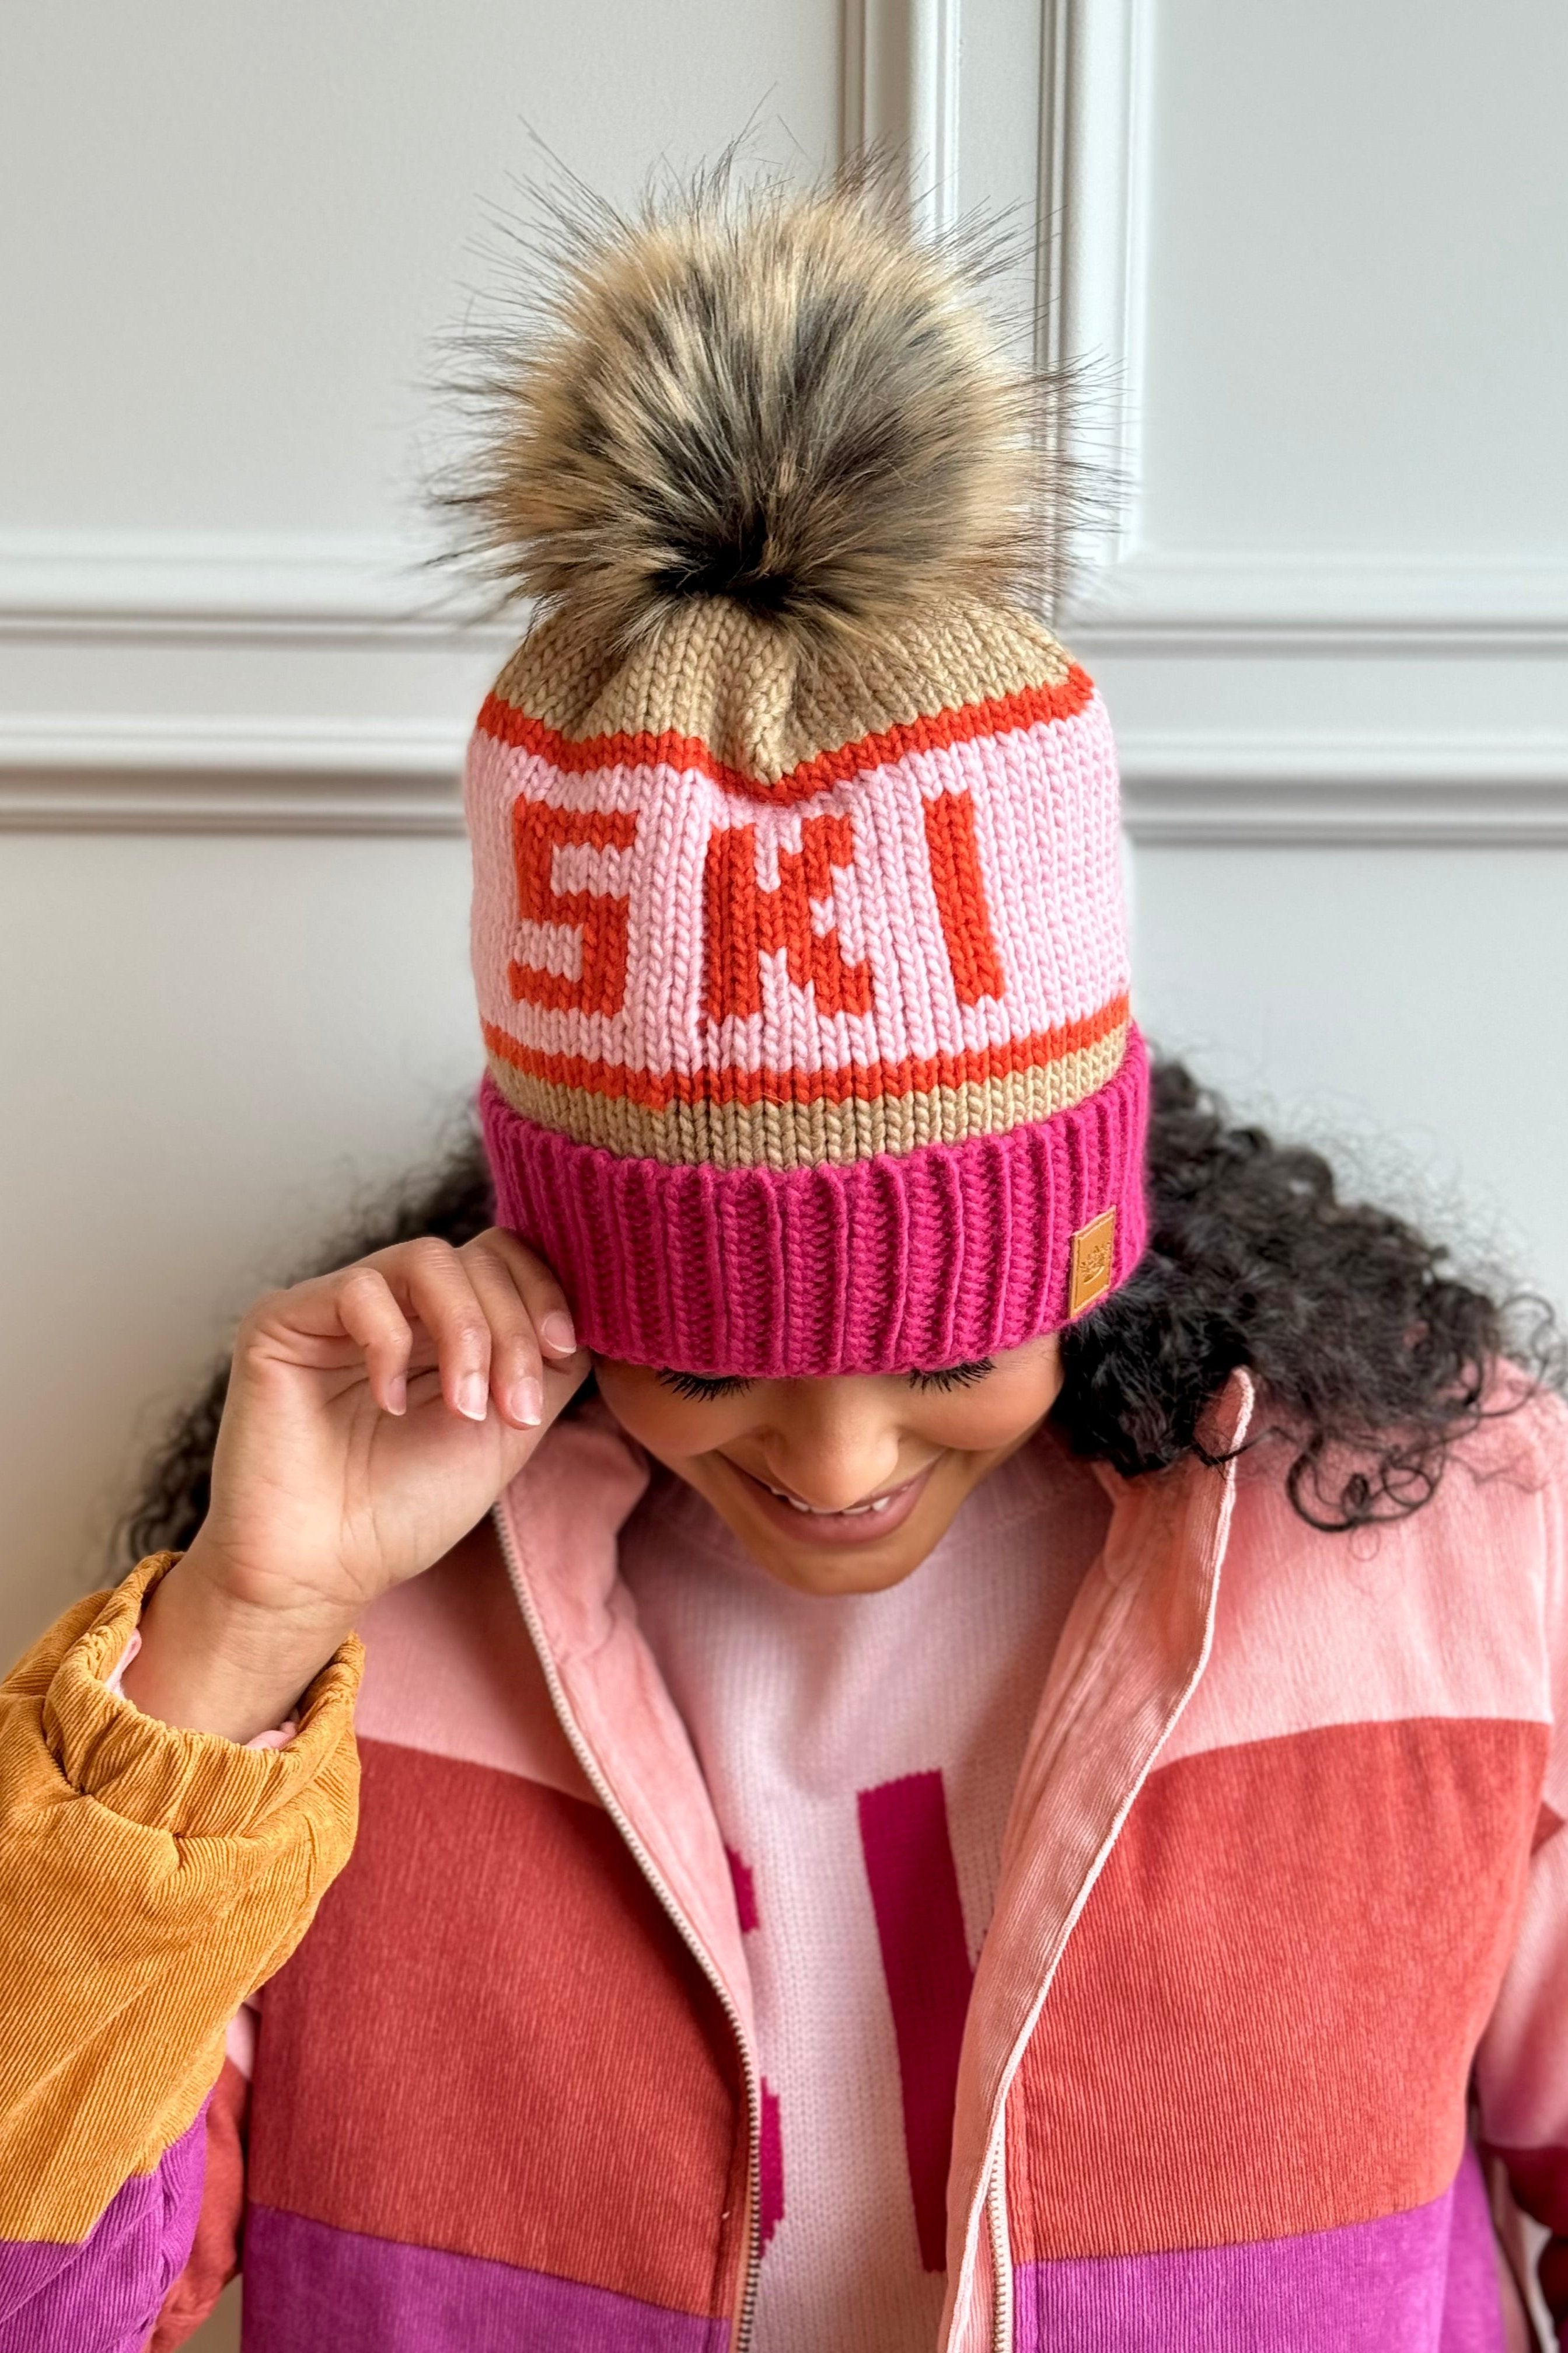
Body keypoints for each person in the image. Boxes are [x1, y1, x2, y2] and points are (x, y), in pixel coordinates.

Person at [1, 166, 1564, 2353]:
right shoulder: (360, 1641)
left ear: (1095, 1228)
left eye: (939, 1339)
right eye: (708, 1347)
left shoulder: (1454, 1536)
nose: (834, 1455)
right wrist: (239, 1635)